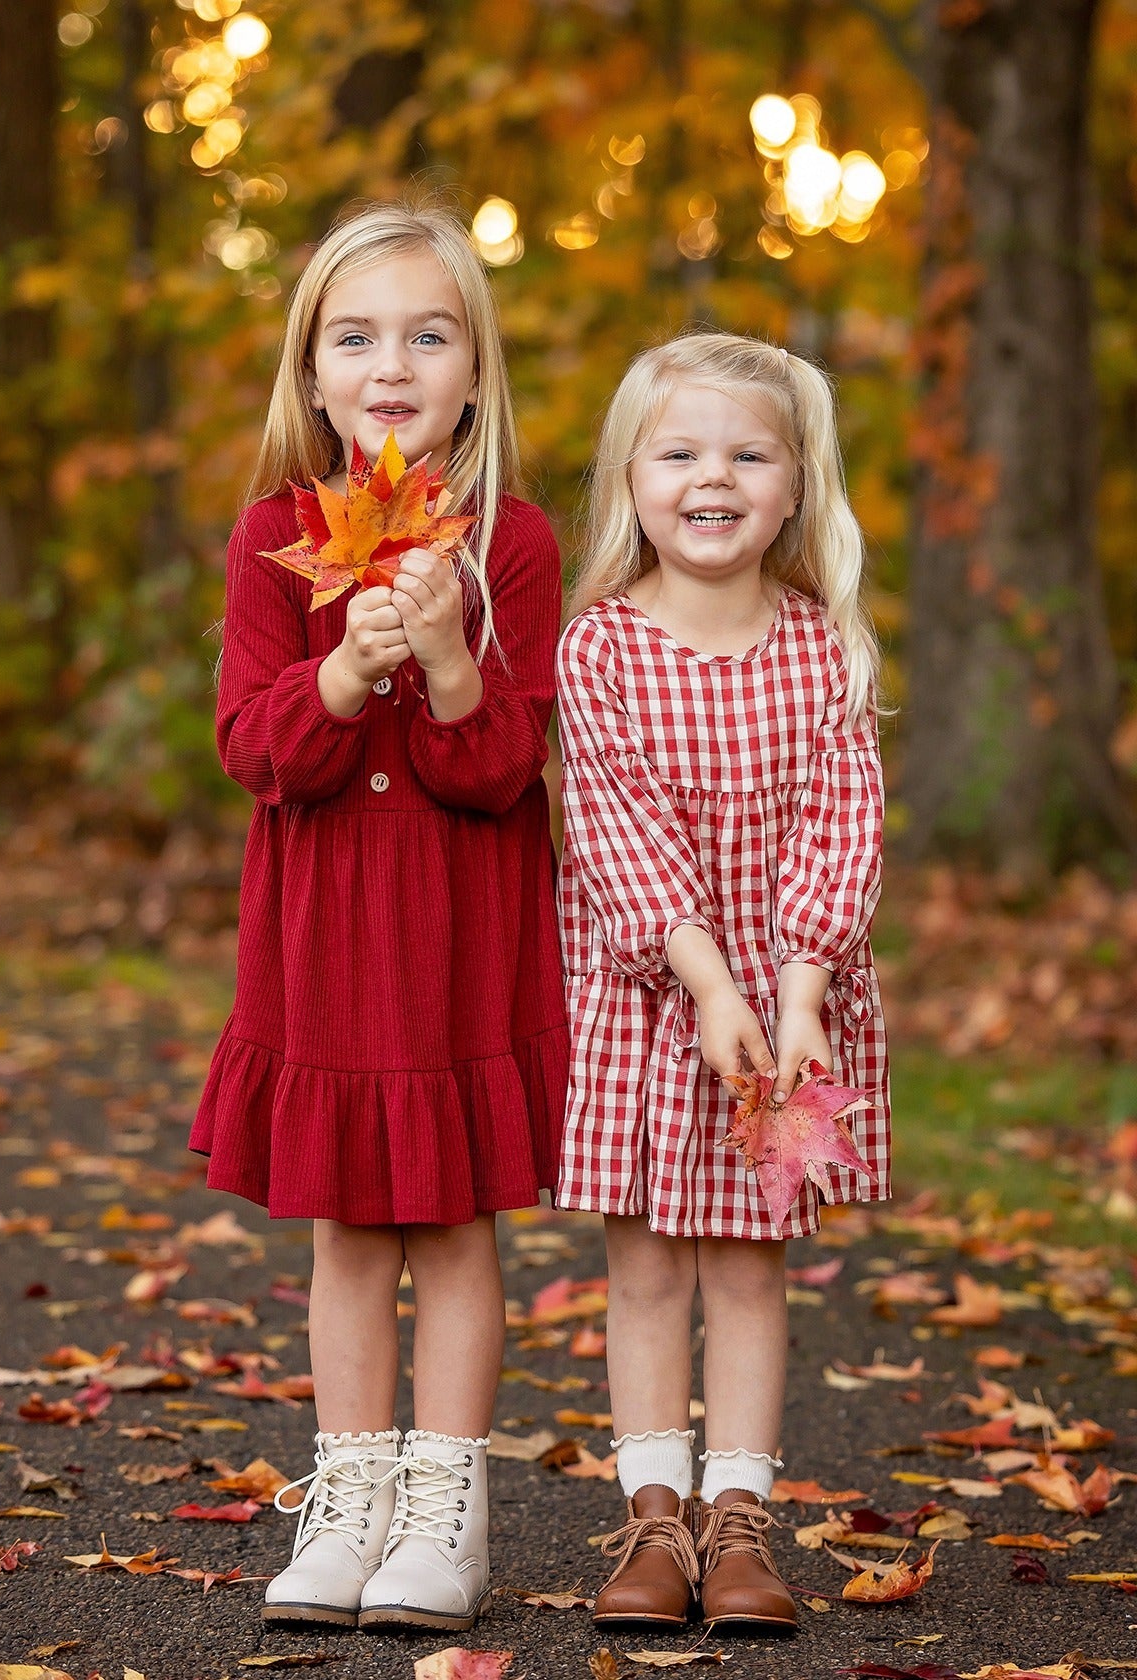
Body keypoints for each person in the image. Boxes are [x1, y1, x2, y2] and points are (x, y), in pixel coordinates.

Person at [189, 200, 568, 1633]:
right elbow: (254, 748)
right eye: (355, 335)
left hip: (461, 932)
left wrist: (455, 662)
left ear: (475, 368)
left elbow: (502, 775)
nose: (390, 361)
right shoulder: (274, 538)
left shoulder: (512, 544)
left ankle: (443, 1510)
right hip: (328, 932)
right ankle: (347, 1500)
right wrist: (346, 669)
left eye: (427, 332)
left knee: (457, 1220)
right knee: (349, 1226)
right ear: (312, 370)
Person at [556, 333, 889, 1633]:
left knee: (752, 1268)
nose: (715, 476)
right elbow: (616, 830)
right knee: (642, 1269)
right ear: (632, 480)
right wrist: (702, 981)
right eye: (681, 451)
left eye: (750, 453)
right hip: (649, 1006)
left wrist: (799, 992)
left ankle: (741, 1526)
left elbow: (842, 829)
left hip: (787, 1016)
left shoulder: (827, 651)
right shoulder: (601, 652)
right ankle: (654, 1524)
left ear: (798, 485)